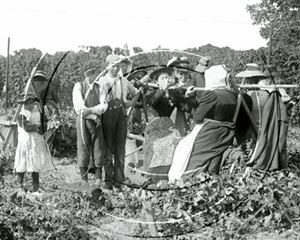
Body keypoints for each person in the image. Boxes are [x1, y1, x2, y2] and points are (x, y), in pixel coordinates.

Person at [169, 65, 238, 181]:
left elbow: (197, 118)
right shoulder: (231, 94)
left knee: (183, 147)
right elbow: (199, 103)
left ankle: (185, 178)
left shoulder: (212, 94)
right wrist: (188, 97)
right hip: (226, 130)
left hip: (211, 131)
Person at [99, 54, 140, 190]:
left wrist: (129, 103)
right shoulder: (102, 82)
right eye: (112, 65)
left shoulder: (123, 81)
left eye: (117, 65)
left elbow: (135, 92)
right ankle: (108, 181)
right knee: (108, 151)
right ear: (107, 66)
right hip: (107, 118)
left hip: (121, 118)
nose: (115, 68)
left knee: (120, 150)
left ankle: (119, 181)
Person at [72, 60, 107, 185]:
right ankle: (84, 180)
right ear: (87, 74)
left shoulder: (99, 87)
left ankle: (98, 179)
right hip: (83, 122)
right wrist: (93, 115)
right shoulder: (79, 86)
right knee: (83, 148)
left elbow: (103, 105)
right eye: (92, 74)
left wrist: (91, 110)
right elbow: (80, 109)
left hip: (97, 121)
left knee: (98, 148)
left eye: (95, 73)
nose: (94, 76)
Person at [14, 93, 53, 196]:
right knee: (22, 165)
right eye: (28, 103)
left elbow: (43, 125)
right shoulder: (22, 115)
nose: (30, 105)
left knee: (35, 166)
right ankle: (19, 186)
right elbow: (26, 127)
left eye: (32, 102)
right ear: (24, 104)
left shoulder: (38, 113)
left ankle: (35, 188)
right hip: (25, 144)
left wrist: (42, 126)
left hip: (35, 143)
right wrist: (36, 126)